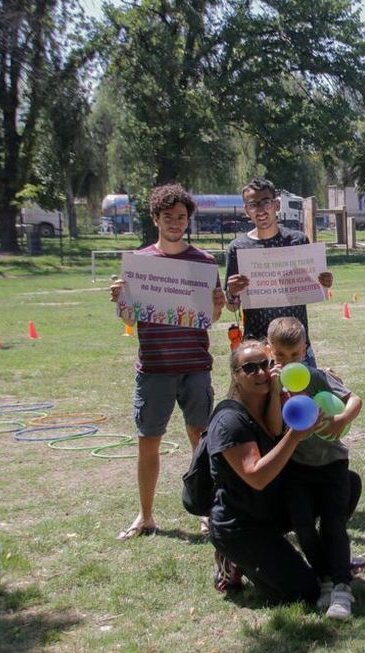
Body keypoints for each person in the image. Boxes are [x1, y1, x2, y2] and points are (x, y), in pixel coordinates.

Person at [110, 184, 225, 541]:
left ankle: (205, 511)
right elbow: (129, 316)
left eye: (181, 217)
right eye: (168, 217)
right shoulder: (140, 264)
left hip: (194, 364)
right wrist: (120, 299)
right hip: (154, 368)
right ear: (155, 218)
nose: (175, 223)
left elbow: (212, 316)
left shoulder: (204, 262)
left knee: (200, 441)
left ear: (188, 219)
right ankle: (146, 516)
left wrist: (218, 304)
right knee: (149, 441)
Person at [206, 340, 321, 604]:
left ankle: (327, 557)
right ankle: (234, 558)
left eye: (266, 365)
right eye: (250, 368)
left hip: (271, 509)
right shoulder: (229, 421)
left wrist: (325, 378)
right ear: (236, 376)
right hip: (239, 524)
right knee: (304, 592)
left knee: (342, 486)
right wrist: (294, 436)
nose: (261, 373)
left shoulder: (275, 403)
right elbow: (256, 477)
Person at [264, 317, 363, 619]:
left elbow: (354, 399)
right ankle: (326, 578)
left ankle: (343, 588)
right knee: (304, 527)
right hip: (296, 468)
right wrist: (274, 388)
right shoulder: (271, 384)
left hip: (332, 464)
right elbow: (272, 425)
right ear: (270, 351)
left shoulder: (317, 376)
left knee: (334, 524)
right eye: (281, 355)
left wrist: (342, 419)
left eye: (295, 355)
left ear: (305, 350)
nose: (289, 361)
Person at [224, 178, 333, 365]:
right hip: (257, 346)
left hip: (296, 343)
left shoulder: (297, 241)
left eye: (265, 202)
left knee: (302, 392)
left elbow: (312, 288)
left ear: (277, 205)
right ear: (246, 210)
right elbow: (232, 306)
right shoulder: (238, 248)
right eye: (253, 204)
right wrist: (232, 292)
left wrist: (323, 282)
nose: (260, 209)